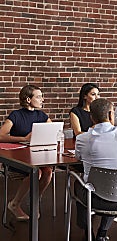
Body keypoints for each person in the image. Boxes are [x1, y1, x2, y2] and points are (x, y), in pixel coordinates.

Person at [74, 98, 117, 241]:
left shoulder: (83, 139)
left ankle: (88, 232)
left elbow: (78, 157)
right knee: (115, 184)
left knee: (79, 184)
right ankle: (102, 232)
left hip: (96, 199)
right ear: (111, 115)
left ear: (91, 118)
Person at [0, 85, 53, 221]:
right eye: (39, 96)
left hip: (37, 156)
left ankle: (34, 200)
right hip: (18, 158)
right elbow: (1, 135)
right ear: (28, 99)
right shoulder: (16, 115)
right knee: (37, 172)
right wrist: (23, 139)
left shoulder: (41, 115)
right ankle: (14, 204)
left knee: (48, 172)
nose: (43, 99)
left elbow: (54, 131)